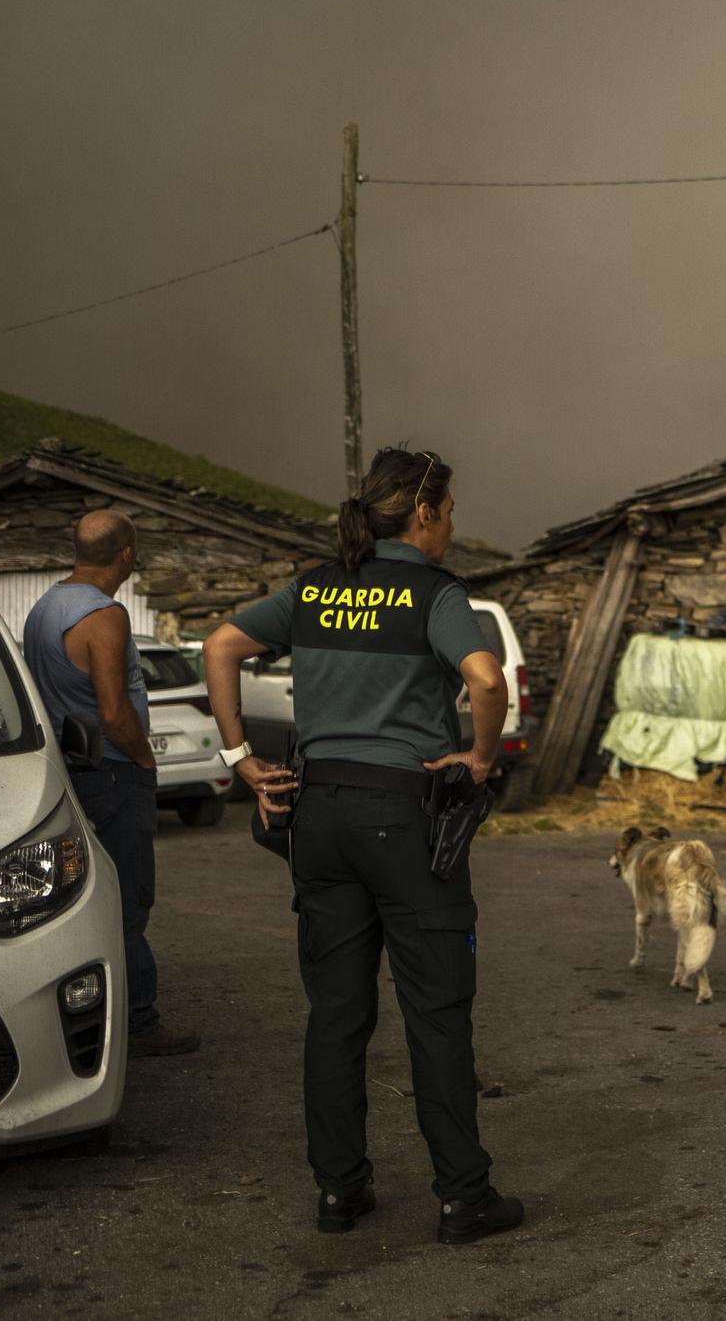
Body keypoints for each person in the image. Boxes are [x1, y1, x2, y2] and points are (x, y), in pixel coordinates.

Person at [200, 448, 521, 1244]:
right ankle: (463, 1197)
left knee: (336, 1013)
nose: (451, 526)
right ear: (422, 513)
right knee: (437, 1012)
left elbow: (219, 647)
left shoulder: (316, 588)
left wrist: (240, 758)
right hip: (404, 819)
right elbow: (486, 679)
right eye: (447, 512)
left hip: (318, 817)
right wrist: (480, 759)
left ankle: (340, 1192)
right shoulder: (434, 592)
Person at [23, 510, 200, 1058]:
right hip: (112, 771)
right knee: (128, 897)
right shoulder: (106, 614)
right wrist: (145, 761)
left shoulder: (45, 607)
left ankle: (82, 1017)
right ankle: (138, 1023)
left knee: (79, 896)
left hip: (68, 767)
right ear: (127, 554)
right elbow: (114, 708)